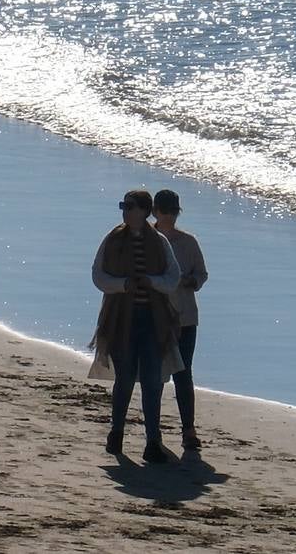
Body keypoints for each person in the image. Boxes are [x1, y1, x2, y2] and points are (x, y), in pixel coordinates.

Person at [89, 189, 184, 463]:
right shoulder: (113, 238)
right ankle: (116, 433)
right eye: (124, 206)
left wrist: (151, 281)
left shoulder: (160, 241)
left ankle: (153, 441)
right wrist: (123, 285)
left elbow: (172, 277)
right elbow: (98, 275)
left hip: (153, 321)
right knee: (125, 379)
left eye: (130, 207)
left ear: (144, 211)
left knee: (153, 382)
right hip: (121, 320)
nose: (125, 211)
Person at [153, 188, 208, 451]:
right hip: (155, 317)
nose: (172, 217)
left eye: (174, 212)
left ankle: (188, 430)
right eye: (167, 212)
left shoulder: (188, 242)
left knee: (184, 374)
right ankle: (154, 432)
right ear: (156, 213)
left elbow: (202, 274)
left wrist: (190, 280)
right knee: (155, 375)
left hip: (186, 317)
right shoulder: (147, 240)